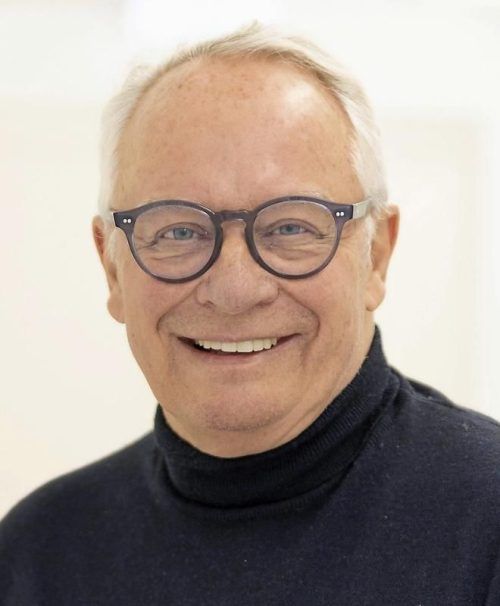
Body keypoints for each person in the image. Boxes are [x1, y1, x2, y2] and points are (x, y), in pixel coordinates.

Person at [1, 22, 499, 606]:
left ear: (377, 257)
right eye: (179, 231)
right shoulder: (37, 555)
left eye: (290, 227)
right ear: (112, 268)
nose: (235, 288)